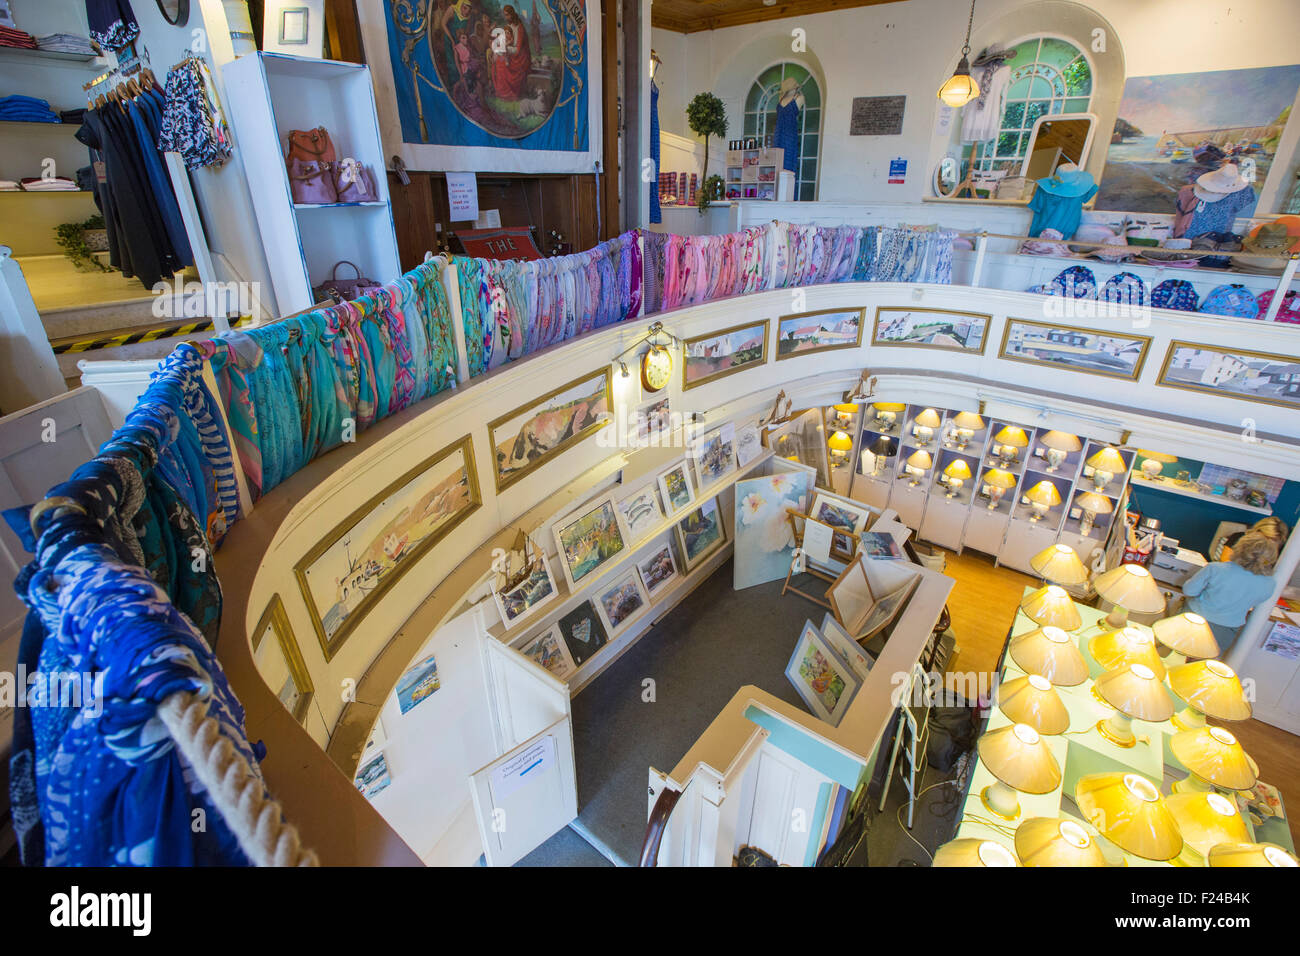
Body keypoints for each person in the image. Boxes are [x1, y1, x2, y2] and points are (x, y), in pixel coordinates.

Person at [1181, 531, 1279, 654]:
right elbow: (1256, 601)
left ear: (1239, 548)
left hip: (1192, 620)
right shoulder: (1269, 584)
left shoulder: (1216, 568)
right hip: (1225, 632)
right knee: (1200, 667)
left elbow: (1188, 590)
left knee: (1174, 655)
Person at [1219, 516, 1287, 563]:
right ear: (1257, 531)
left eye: (1273, 540)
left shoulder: (1281, 554)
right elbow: (1225, 561)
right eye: (1266, 538)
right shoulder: (1238, 537)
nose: (1267, 543)